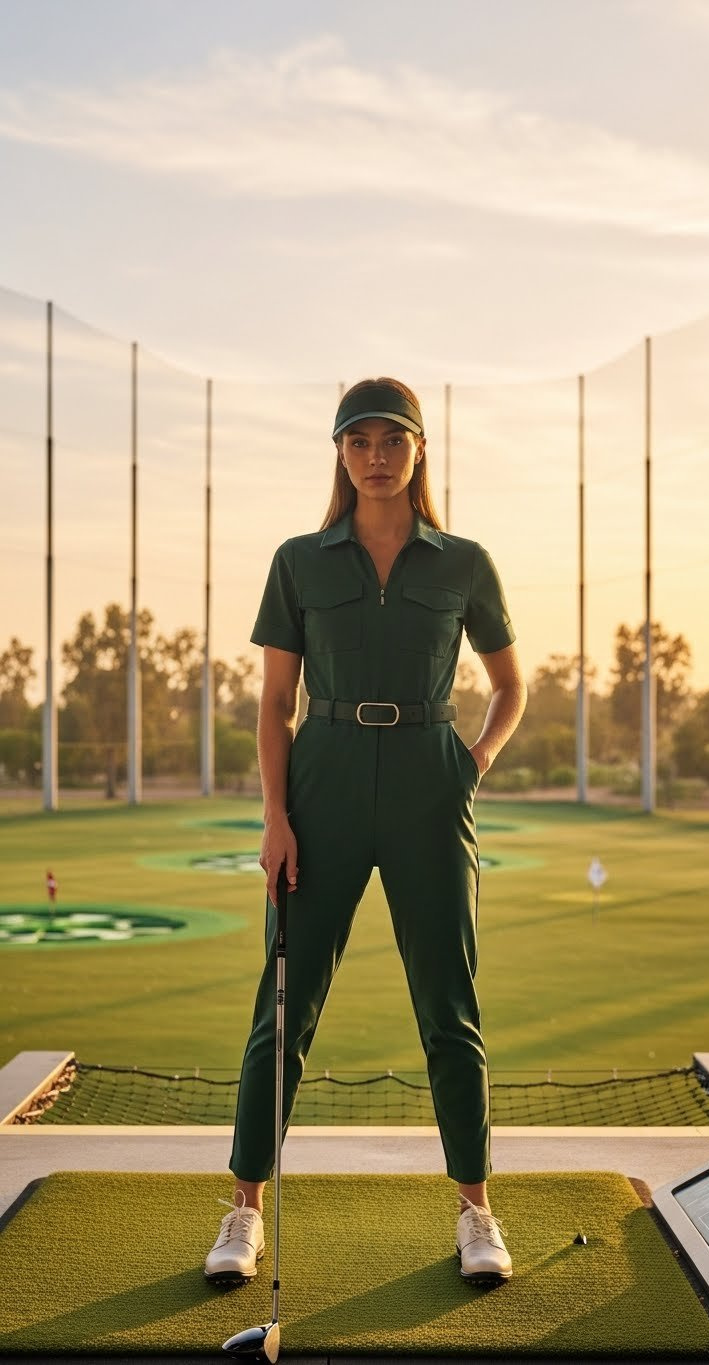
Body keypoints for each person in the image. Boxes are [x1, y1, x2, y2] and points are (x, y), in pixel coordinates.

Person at [205, 377, 527, 1286]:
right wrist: (276, 817)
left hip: (431, 779)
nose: (376, 457)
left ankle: (475, 1211)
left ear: (419, 450)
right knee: (283, 1005)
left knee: (449, 1006)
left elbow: (511, 686)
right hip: (325, 783)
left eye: (393, 440)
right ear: (340, 453)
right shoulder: (299, 561)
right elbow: (276, 702)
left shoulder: (464, 562)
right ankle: (243, 1209)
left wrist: (470, 763)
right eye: (359, 441)